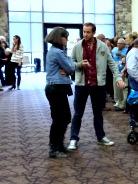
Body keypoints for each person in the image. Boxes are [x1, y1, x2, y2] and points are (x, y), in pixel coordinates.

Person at [67, 22, 126, 150]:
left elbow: (112, 64)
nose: (85, 34)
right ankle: (73, 138)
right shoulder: (77, 46)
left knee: (98, 113)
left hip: (98, 84)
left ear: (93, 32)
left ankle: (101, 137)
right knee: (78, 113)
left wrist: (118, 78)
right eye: (84, 31)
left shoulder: (102, 46)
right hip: (82, 84)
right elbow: (70, 63)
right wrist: (79, 65)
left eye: (88, 32)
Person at [44, 27, 75, 158]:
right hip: (56, 88)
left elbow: (68, 67)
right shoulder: (57, 52)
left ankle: (59, 146)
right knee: (59, 119)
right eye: (65, 37)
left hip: (57, 88)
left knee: (64, 118)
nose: (67, 40)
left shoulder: (57, 51)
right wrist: (69, 66)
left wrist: (68, 66)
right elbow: (70, 68)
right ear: (59, 37)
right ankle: (54, 149)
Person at [111, 38, 128, 111]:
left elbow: (127, 58)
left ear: (124, 45)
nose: (118, 45)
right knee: (116, 88)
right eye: (118, 43)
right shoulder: (114, 50)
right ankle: (117, 101)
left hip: (123, 71)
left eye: (120, 44)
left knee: (123, 88)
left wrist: (121, 55)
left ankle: (124, 102)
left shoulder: (127, 50)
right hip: (116, 72)